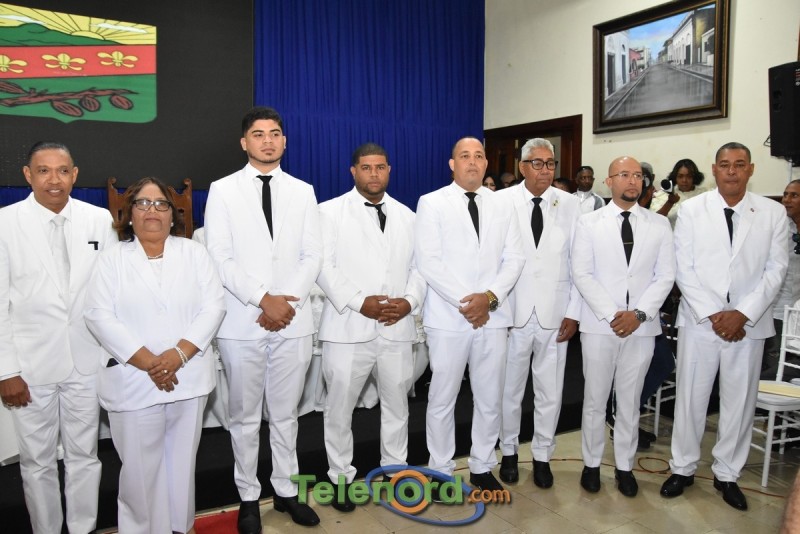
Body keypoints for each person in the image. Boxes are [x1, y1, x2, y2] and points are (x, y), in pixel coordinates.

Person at [84, 177, 226, 534]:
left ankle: (181, 527)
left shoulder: (194, 253)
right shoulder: (111, 259)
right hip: (133, 378)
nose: (152, 210)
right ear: (129, 214)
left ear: (172, 214)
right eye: (143, 203)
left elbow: (214, 307)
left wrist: (178, 355)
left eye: (161, 204)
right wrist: (151, 363)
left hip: (188, 376)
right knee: (139, 471)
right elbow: (99, 315)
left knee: (182, 464)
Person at [204, 106, 323, 530]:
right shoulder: (222, 190)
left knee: (287, 414)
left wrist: (283, 303)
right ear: (244, 142)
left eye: (274, 133)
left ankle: (286, 491)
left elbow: (313, 255)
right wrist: (262, 299)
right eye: (258, 134)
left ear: (284, 141)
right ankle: (249, 497)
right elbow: (219, 256)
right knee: (244, 417)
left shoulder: (303, 191)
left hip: (292, 319)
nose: (267, 140)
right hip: (243, 321)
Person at [661, 142, 788, 511]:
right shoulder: (692, 209)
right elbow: (683, 266)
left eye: (740, 164)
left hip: (748, 325)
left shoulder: (772, 212)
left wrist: (742, 314)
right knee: (691, 398)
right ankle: (682, 467)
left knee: (739, 402)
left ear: (751, 169)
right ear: (714, 169)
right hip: (702, 321)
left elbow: (776, 269)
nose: (732, 171)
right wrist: (716, 314)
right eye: (725, 164)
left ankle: (728, 473)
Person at [0, 142, 117, 533]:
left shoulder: (98, 219)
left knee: (85, 456)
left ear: (75, 174)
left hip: (87, 361)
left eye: (63, 170)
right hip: (29, 367)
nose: (54, 179)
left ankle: (83, 528)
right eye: (44, 170)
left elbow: (111, 291)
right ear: (28, 175)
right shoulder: (5, 223)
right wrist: (6, 371)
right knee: (37, 462)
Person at [316, 143, 426, 511]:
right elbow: (323, 266)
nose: (374, 174)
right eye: (366, 167)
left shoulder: (408, 216)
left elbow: (420, 268)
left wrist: (409, 301)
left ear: (389, 170)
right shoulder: (329, 212)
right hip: (347, 326)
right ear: (353, 171)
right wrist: (358, 301)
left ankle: (395, 472)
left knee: (398, 406)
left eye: (380, 167)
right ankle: (340, 478)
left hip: (396, 326)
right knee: (339, 409)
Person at [415, 137, 524, 493]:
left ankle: (482, 465)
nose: (473, 162)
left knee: (489, 397)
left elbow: (515, 258)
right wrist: (469, 303)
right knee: (442, 397)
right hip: (449, 317)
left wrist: (488, 299)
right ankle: (441, 469)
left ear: (486, 163)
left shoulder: (504, 204)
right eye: (465, 156)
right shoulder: (432, 202)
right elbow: (429, 261)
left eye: (479, 156)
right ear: (452, 164)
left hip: (493, 316)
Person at [571, 156, 676, 498]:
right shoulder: (589, 223)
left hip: (641, 329)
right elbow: (582, 273)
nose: (632, 181)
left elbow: (666, 276)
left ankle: (625, 467)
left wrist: (639, 314)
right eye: (624, 175)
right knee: (595, 399)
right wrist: (612, 313)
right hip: (600, 326)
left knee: (630, 402)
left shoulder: (659, 225)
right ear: (610, 181)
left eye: (638, 175)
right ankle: (591, 465)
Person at [497, 138, 581, 489]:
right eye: (537, 163)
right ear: (522, 166)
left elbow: (579, 262)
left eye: (550, 163)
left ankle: (543, 455)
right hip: (512, 313)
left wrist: (574, 312)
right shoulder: (501, 202)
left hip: (555, 312)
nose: (545, 170)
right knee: (509, 390)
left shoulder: (572, 204)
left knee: (550, 391)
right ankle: (509, 452)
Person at [762, 179, 800, 381]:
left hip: (798, 311)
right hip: (777, 308)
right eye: (785, 194)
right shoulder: (778, 227)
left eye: (794, 195)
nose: (786, 200)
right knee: (774, 368)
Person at [649, 158, 707, 227]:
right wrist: (670, 202)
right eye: (680, 176)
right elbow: (655, 220)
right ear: (675, 177)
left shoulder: (704, 195)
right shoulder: (664, 195)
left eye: (689, 176)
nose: (684, 180)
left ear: (694, 177)